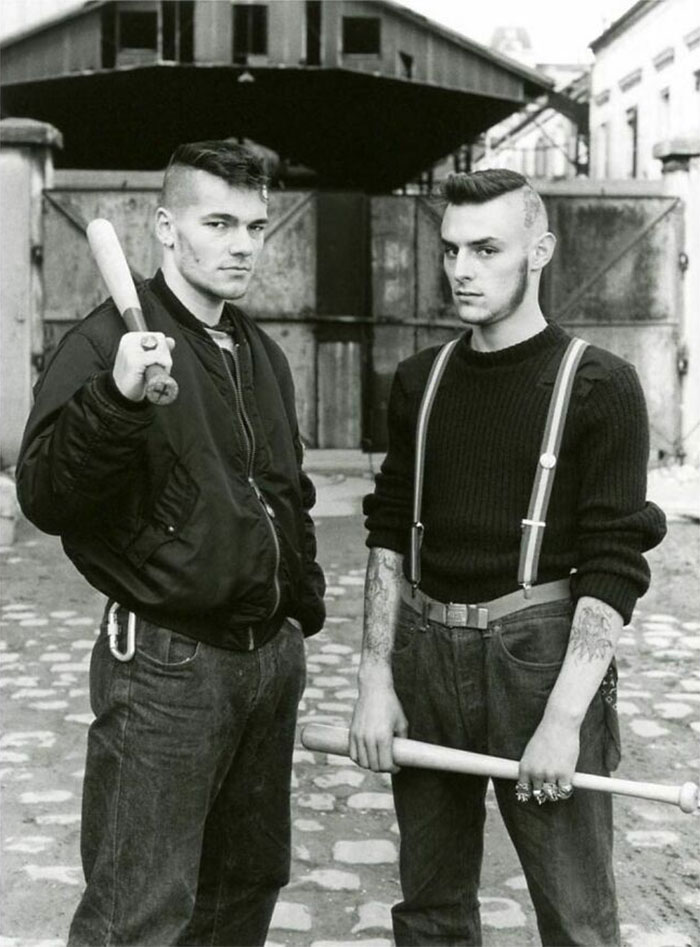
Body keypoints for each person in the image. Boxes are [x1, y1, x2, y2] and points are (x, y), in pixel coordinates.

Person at [16, 140, 326, 947]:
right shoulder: (102, 343)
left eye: (255, 225)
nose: (242, 244)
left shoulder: (259, 352)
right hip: (166, 665)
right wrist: (115, 400)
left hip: (266, 660)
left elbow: (285, 491)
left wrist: (302, 606)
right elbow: (45, 492)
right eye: (218, 222)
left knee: (243, 892)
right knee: (139, 912)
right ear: (164, 226)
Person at [349, 169, 666, 946]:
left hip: (539, 662)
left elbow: (613, 563)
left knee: (577, 917)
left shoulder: (600, 384)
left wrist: (563, 721)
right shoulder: (420, 381)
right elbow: (389, 530)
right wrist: (373, 677)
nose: (461, 268)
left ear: (539, 250)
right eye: (452, 248)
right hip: (424, 657)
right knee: (429, 911)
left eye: (487, 249)